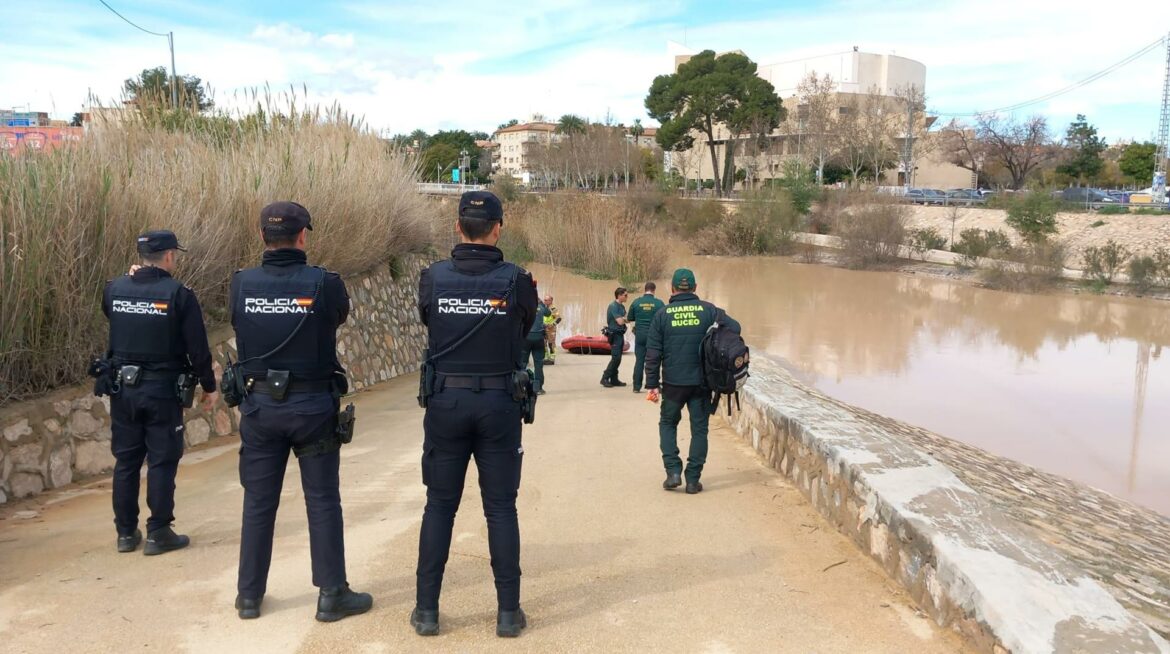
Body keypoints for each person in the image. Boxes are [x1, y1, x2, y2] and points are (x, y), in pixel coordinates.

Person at [229, 201, 371, 622]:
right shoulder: (324, 283)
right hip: (311, 409)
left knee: (258, 502)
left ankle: (249, 596)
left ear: (261, 237)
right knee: (323, 500)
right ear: (304, 236)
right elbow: (339, 316)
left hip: (260, 409)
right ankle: (331, 594)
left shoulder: (240, 283)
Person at [413, 190, 538, 638]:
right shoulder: (517, 279)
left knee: (439, 507)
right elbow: (525, 327)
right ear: (498, 228)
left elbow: (430, 320)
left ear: (458, 226)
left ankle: (426, 611)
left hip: (447, 401)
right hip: (499, 403)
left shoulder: (433, 278)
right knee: (501, 508)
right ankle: (508, 613)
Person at [101, 230, 217, 555]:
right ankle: (159, 532)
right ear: (168, 256)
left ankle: (125, 533)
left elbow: (113, 315)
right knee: (162, 461)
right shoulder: (179, 295)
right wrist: (209, 386)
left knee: (126, 461)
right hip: (161, 391)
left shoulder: (114, 289)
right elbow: (198, 349)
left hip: (122, 388)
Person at [644, 268, 741, 495]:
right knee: (699, 430)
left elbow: (653, 352)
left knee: (668, 424)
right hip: (702, 384)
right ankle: (693, 479)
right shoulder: (710, 311)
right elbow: (735, 329)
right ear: (695, 288)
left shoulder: (662, 314)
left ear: (673, 289)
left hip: (673, 384)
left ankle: (673, 472)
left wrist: (651, 384)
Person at [626, 282, 665, 394]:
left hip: (640, 336)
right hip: (654, 336)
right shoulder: (659, 303)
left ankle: (636, 387)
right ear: (654, 290)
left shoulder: (636, 302)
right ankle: (653, 385)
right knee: (654, 361)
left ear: (645, 289)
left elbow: (630, 318)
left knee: (639, 361)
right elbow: (664, 320)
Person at [600, 287, 629, 387]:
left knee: (618, 358)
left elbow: (627, 319)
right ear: (619, 295)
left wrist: (624, 319)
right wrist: (624, 319)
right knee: (616, 358)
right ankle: (604, 377)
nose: (627, 297)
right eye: (625, 295)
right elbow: (620, 321)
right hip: (614, 334)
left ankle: (614, 379)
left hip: (620, 334)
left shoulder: (622, 307)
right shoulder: (613, 306)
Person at [524, 293, 551, 395]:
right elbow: (548, 314)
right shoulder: (541, 307)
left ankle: (523, 387)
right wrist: (543, 305)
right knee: (538, 364)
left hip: (526, 338)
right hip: (538, 338)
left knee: (522, 363)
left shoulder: (524, 306)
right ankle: (538, 388)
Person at [542, 295, 561, 365]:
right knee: (543, 343)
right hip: (543, 328)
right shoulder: (543, 308)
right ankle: (546, 357)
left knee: (551, 344)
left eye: (546, 300)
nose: (545, 301)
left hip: (551, 330)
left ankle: (552, 358)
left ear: (550, 301)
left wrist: (552, 325)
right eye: (544, 300)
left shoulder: (554, 309)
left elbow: (559, 318)